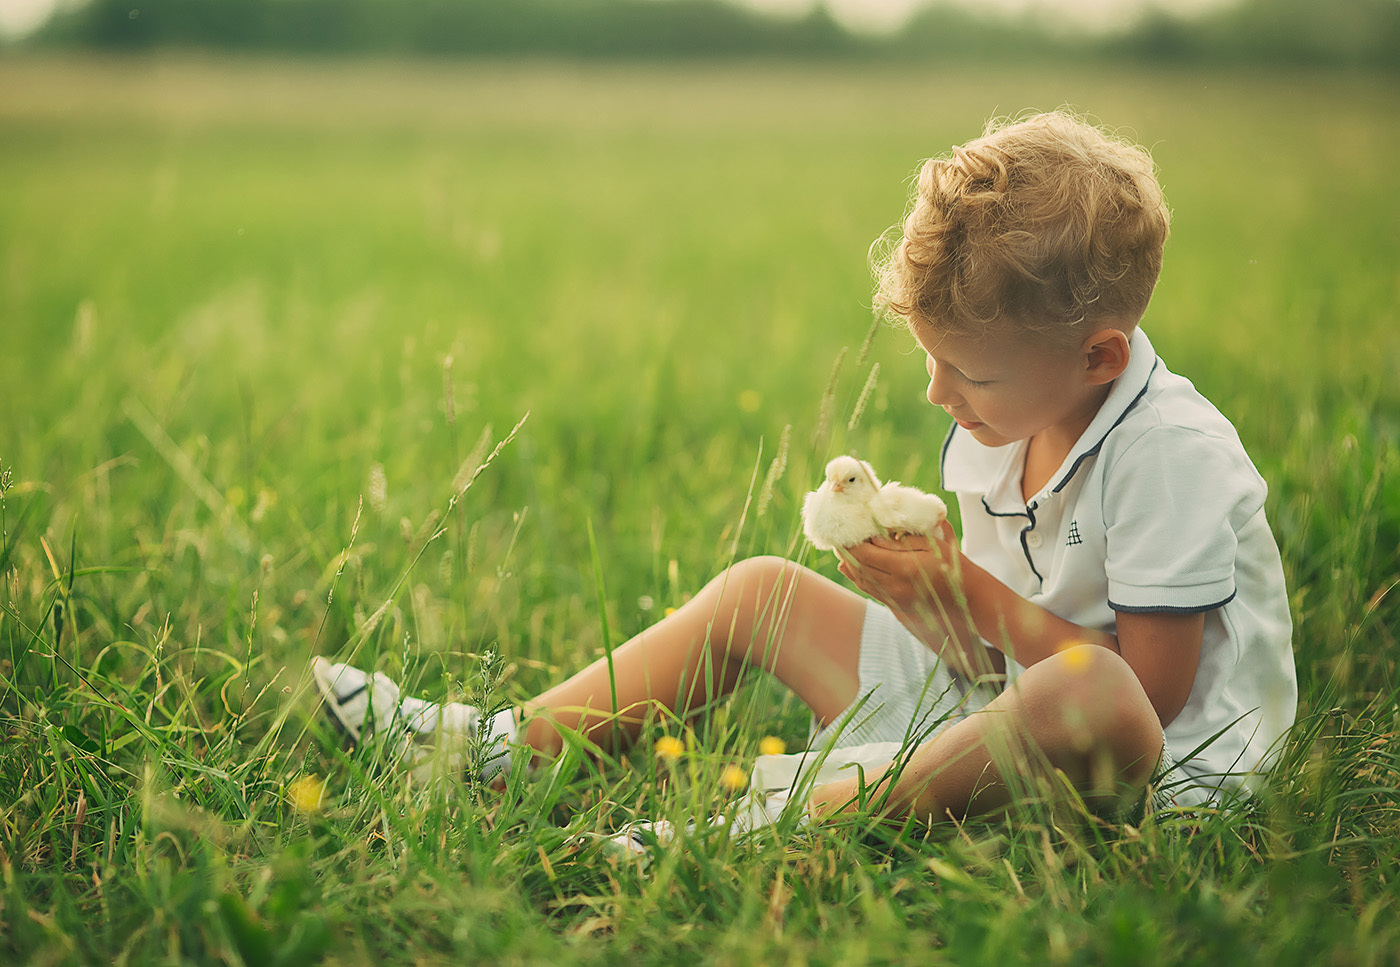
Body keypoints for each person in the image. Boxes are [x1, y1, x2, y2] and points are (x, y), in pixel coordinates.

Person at [312, 111, 1296, 828]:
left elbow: (1142, 701)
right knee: (757, 593)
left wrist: (968, 594)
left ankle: (794, 823)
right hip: (997, 699)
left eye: (970, 373)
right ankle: (499, 750)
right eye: (930, 360)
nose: (937, 396)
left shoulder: (1167, 455)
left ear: (1097, 359)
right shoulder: (1003, 415)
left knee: (1087, 692)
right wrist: (923, 596)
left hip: (1145, 770)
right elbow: (978, 656)